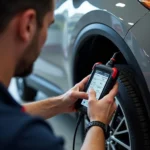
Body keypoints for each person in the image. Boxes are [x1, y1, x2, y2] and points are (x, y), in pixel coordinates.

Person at [0, 0, 118, 150]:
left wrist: (60, 102)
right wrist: (98, 122)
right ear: (27, 25)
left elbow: (9, 115)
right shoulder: (27, 138)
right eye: (48, 26)